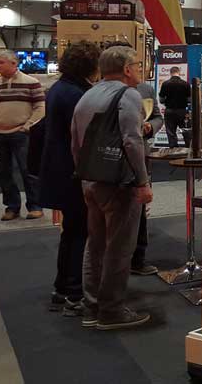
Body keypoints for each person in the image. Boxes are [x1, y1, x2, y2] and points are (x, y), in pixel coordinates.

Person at [71, 46, 153, 330]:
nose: (140, 71)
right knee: (119, 248)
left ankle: (92, 306)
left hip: (90, 181)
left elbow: (75, 141)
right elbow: (132, 140)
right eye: (138, 65)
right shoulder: (128, 94)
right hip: (119, 183)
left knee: (94, 246)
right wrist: (142, 181)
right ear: (127, 69)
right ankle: (112, 310)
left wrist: (85, 177)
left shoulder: (87, 94)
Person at [39, 41, 100, 314]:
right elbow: (83, 138)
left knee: (71, 232)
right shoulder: (77, 94)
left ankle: (62, 287)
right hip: (73, 172)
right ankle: (74, 293)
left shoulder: (58, 89)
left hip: (58, 170)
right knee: (79, 233)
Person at [106, 40, 162, 277]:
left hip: (140, 154)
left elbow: (158, 117)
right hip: (111, 160)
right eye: (137, 64)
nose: (141, 68)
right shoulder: (102, 91)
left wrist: (151, 126)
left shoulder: (146, 90)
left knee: (139, 209)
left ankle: (138, 257)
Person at [0, 50, 46, 221]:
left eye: (1, 62)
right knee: (4, 172)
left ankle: (35, 206)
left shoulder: (31, 83)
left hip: (21, 133)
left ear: (14, 64)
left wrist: (27, 126)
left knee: (28, 170)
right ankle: (12, 207)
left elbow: (40, 107)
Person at [157, 66, 190, 148]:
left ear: (170, 73)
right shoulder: (186, 84)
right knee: (186, 131)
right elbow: (189, 100)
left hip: (169, 111)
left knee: (171, 133)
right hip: (182, 111)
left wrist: (166, 102)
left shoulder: (165, 84)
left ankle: (174, 151)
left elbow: (161, 99)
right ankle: (188, 151)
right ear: (179, 72)